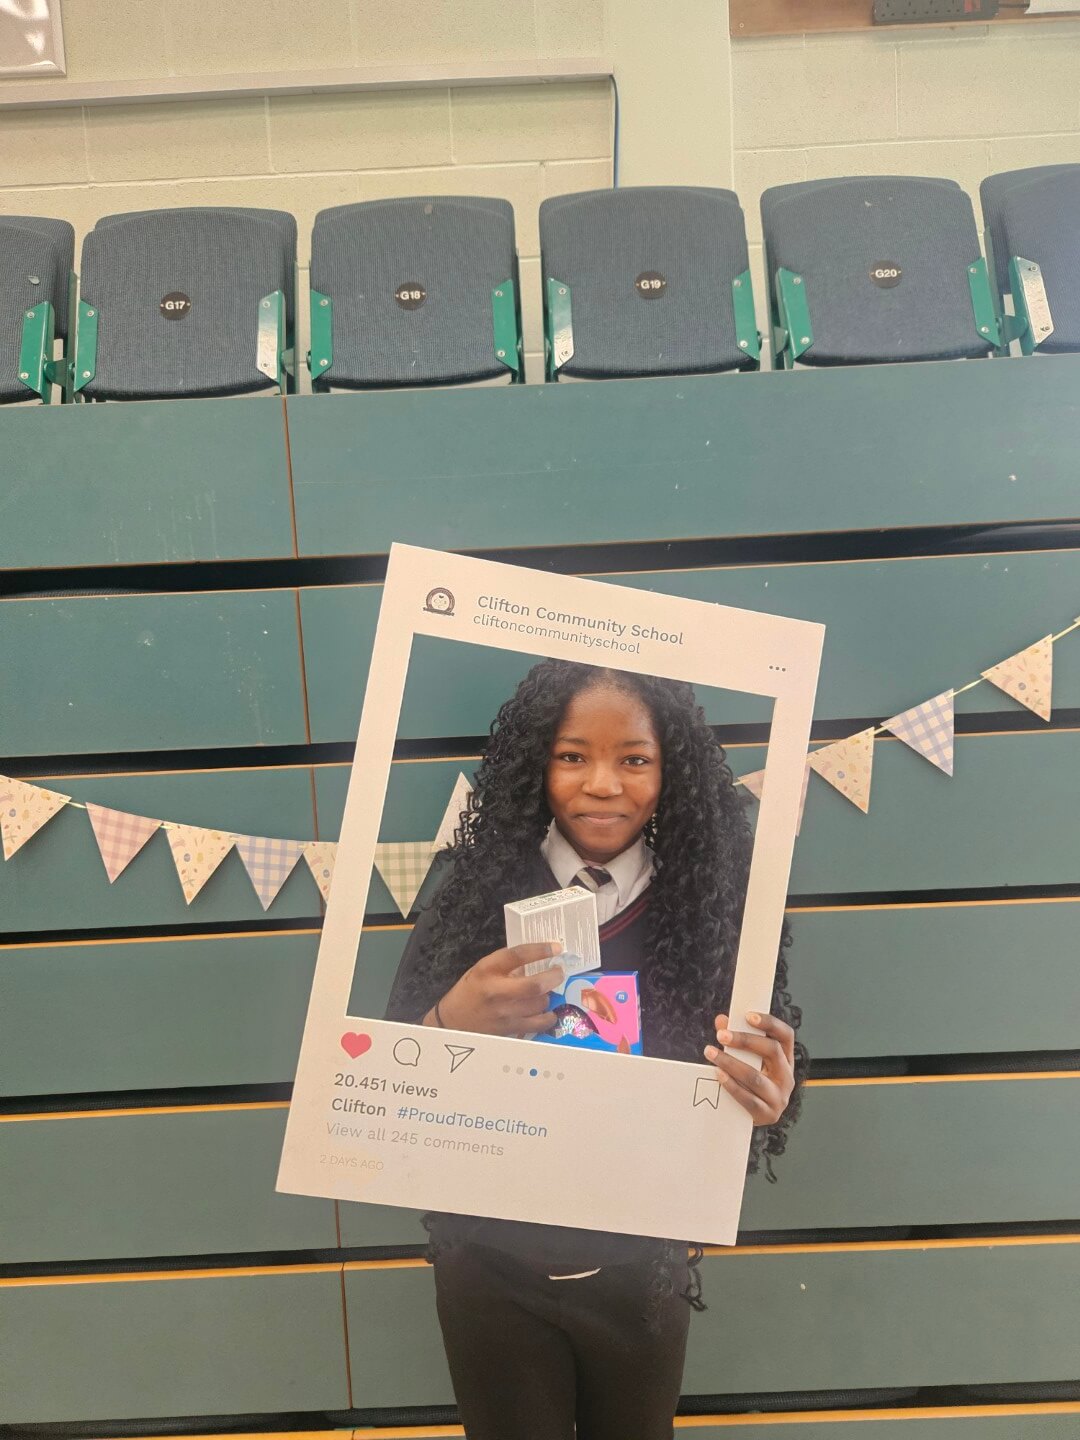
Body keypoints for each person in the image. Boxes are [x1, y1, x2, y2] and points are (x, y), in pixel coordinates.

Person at [385, 659, 805, 1440]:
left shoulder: (716, 906)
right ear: (534, 763)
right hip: (490, 1266)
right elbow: (388, 1072)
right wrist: (447, 1020)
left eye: (634, 759)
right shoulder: (472, 893)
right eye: (572, 755)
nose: (603, 784)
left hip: (641, 1269)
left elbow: (758, 1077)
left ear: (671, 771)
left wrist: (771, 1094)